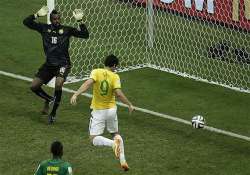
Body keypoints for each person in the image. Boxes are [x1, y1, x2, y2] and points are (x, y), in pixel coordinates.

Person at [23, 6, 89, 124]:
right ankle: (49, 99)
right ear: (51, 19)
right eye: (54, 19)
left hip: (63, 64)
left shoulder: (67, 30)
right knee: (34, 86)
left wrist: (80, 21)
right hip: (49, 65)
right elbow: (26, 22)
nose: (57, 21)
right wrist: (36, 15)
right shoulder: (44, 28)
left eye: (59, 19)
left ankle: (53, 114)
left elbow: (85, 35)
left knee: (58, 84)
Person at [70, 54, 134, 171]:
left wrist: (76, 94)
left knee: (93, 139)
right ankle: (123, 161)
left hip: (98, 110)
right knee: (115, 133)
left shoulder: (96, 72)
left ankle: (113, 144)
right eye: (116, 66)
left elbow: (87, 84)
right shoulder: (115, 76)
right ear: (114, 65)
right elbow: (118, 94)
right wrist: (129, 104)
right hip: (111, 110)